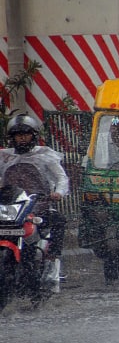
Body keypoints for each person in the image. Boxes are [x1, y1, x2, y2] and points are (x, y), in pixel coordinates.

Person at [0, 114, 69, 292]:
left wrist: (58, 193)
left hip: (38, 206)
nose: (22, 138)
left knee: (59, 221)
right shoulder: (4, 157)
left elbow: (61, 178)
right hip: (10, 208)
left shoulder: (45, 155)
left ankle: (52, 265)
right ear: (12, 138)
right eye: (18, 135)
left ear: (34, 135)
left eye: (26, 134)